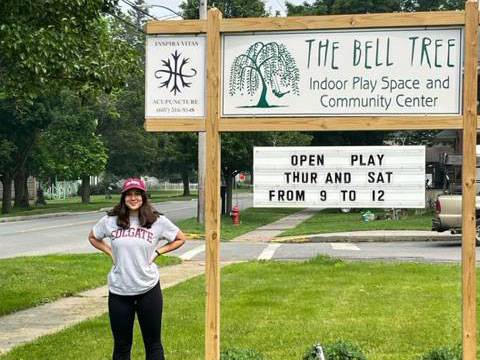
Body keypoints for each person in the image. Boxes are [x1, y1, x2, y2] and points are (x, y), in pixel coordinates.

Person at [88, 177, 186, 360]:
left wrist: (158, 252)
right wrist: (109, 251)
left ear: (144, 197)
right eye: (129, 194)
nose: (133, 198)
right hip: (119, 291)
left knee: (153, 344)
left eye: (137, 194)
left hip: (148, 289)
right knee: (121, 346)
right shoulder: (110, 220)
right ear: (123, 197)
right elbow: (93, 237)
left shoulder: (157, 221)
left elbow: (180, 238)